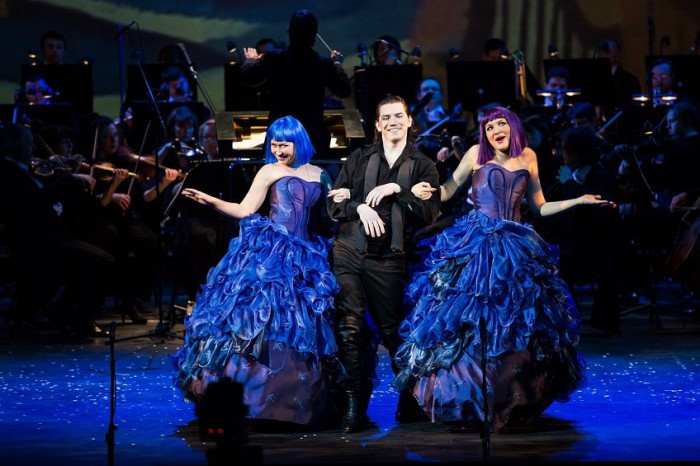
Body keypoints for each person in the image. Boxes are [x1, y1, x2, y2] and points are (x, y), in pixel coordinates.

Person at [394, 105, 615, 432]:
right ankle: (471, 401)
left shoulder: (528, 157)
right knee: (469, 322)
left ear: (512, 126)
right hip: (477, 242)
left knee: (517, 324)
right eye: (488, 127)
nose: (495, 130)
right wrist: (429, 190)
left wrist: (579, 200)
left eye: (500, 124)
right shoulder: (475, 154)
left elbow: (539, 207)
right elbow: (448, 191)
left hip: (516, 245)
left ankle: (510, 400)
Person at [171, 116, 344, 429]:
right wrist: (210, 200)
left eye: (284, 144)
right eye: (274, 145)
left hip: (306, 254)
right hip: (273, 251)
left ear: (299, 142)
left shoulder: (320, 174)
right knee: (261, 316)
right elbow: (245, 209)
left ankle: (296, 402)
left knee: (302, 323)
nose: (278, 151)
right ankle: (252, 399)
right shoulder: (269, 171)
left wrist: (347, 200)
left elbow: (333, 214)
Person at [327, 95, 441, 433]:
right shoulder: (359, 157)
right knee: (349, 328)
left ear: (409, 120)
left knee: (392, 332)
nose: (393, 122)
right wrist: (359, 207)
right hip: (349, 250)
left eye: (398, 116)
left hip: (388, 258)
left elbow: (429, 214)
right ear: (377, 125)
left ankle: (408, 400)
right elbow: (334, 205)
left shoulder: (422, 165)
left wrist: (397, 189)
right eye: (386, 117)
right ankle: (353, 408)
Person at [241, 9, 352, 158]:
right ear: (314, 34)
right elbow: (344, 90)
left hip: (280, 137)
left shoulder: (274, 57)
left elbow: (249, 77)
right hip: (312, 138)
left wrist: (251, 60)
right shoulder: (323, 62)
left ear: (289, 31)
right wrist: (337, 64)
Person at [594, 39, 641, 108]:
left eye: (607, 52)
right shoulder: (592, 79)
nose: (603, 55)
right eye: (600, 52)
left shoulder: (630, 81)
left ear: (617, 56)